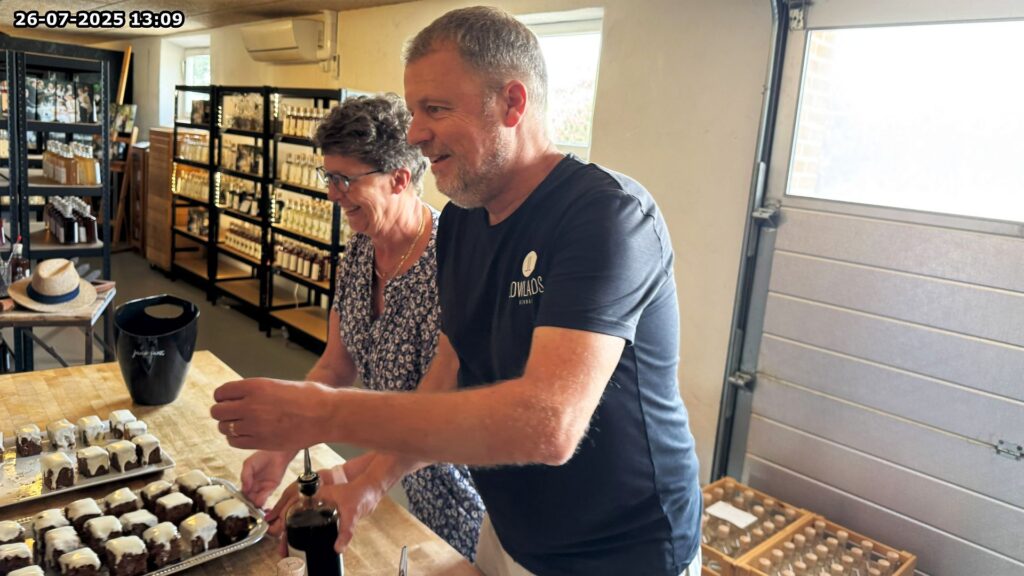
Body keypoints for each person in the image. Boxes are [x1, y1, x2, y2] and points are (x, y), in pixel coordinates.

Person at [211, 7, 702, 575]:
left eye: (436, 109)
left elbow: (549, 425)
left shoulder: (605, 216)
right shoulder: (465, 222)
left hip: (622, 554)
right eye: (414, 111)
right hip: (509, 530)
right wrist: (369, 482)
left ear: (512, 104)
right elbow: (450, 369)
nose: (415, 134)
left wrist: (323, 414)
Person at [239, 93, 485, 560]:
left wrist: (353, 477)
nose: (331, 193)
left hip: (466, 491)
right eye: (328, 177)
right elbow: (336, 366)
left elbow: (441, 416)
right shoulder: (358, 252)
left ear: (399, 179)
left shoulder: (451, 263)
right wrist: (282, 447)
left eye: (344, 179)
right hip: (397, 479)